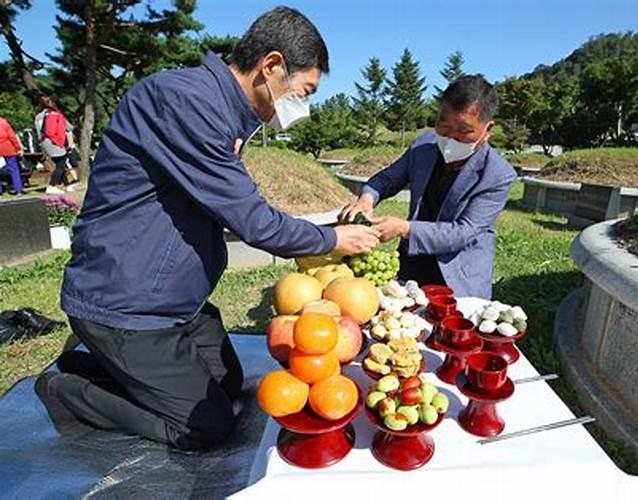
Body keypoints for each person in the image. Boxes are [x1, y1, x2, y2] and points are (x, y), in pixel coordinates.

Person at [34, 6, 379, 450]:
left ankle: (105, 364)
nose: (305, 107)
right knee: (205, 426)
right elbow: (253, 221)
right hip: (128, 302)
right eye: (304, 91)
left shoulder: (222, 111)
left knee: (229, 382)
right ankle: (66, 391)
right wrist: (333, 238)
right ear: (271, 66)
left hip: (174, 301)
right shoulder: (185, 102)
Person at [340, 75, 517, 299]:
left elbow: (463, 232)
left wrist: (404, 228)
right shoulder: (424, 147)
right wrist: (366, 198)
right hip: (413, 263)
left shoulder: (497, 175)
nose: (451, 137)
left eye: (463, 130)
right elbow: (387, 179)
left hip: (458, 276)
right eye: (443, 125)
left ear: (487, 128)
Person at [34, 95, 75, 194]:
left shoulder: (38, 117)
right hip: (55, 141)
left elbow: (39, 133)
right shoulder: (55, 114)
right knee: (61, 164)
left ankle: (67, 184)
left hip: (45, 142)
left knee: (60, 163)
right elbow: (69, 127)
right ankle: (52, 185)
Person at [0, 115, 25, 196]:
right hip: (7, 146)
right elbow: (12, 136)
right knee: (14, 169)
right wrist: (18, 148)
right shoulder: (3, 122)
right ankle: (18, 190)